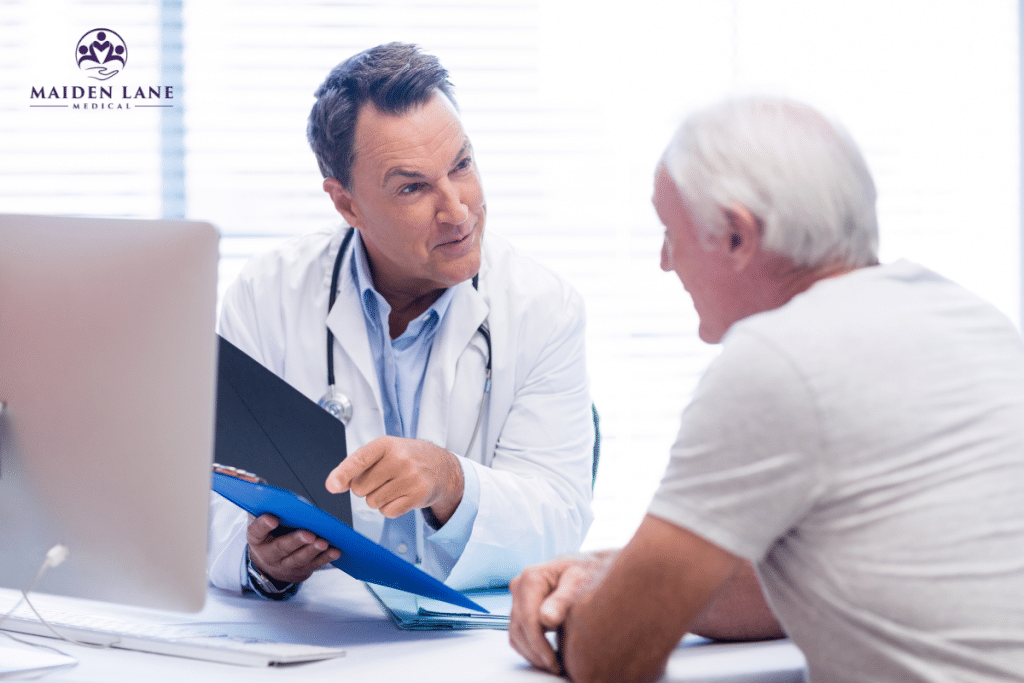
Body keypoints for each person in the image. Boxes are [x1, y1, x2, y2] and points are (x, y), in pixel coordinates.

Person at [508, 97, 1024, 682]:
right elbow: (821, 585)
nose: (665, 262)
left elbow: (610, 660)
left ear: (736, 235)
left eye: (671, 233)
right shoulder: (969, 318)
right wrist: (624, 576)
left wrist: (590, 603)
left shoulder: (778, 359)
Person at [208, 42, 595, 599]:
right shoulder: (266, 295)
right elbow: (212, 501)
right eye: (413, 187)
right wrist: (261, 561)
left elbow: (560, 519)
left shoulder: (545, 309)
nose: (457, 210)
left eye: (461, 166)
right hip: (317, 626)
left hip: (471, 633)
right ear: (347, 204)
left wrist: (451, 481)